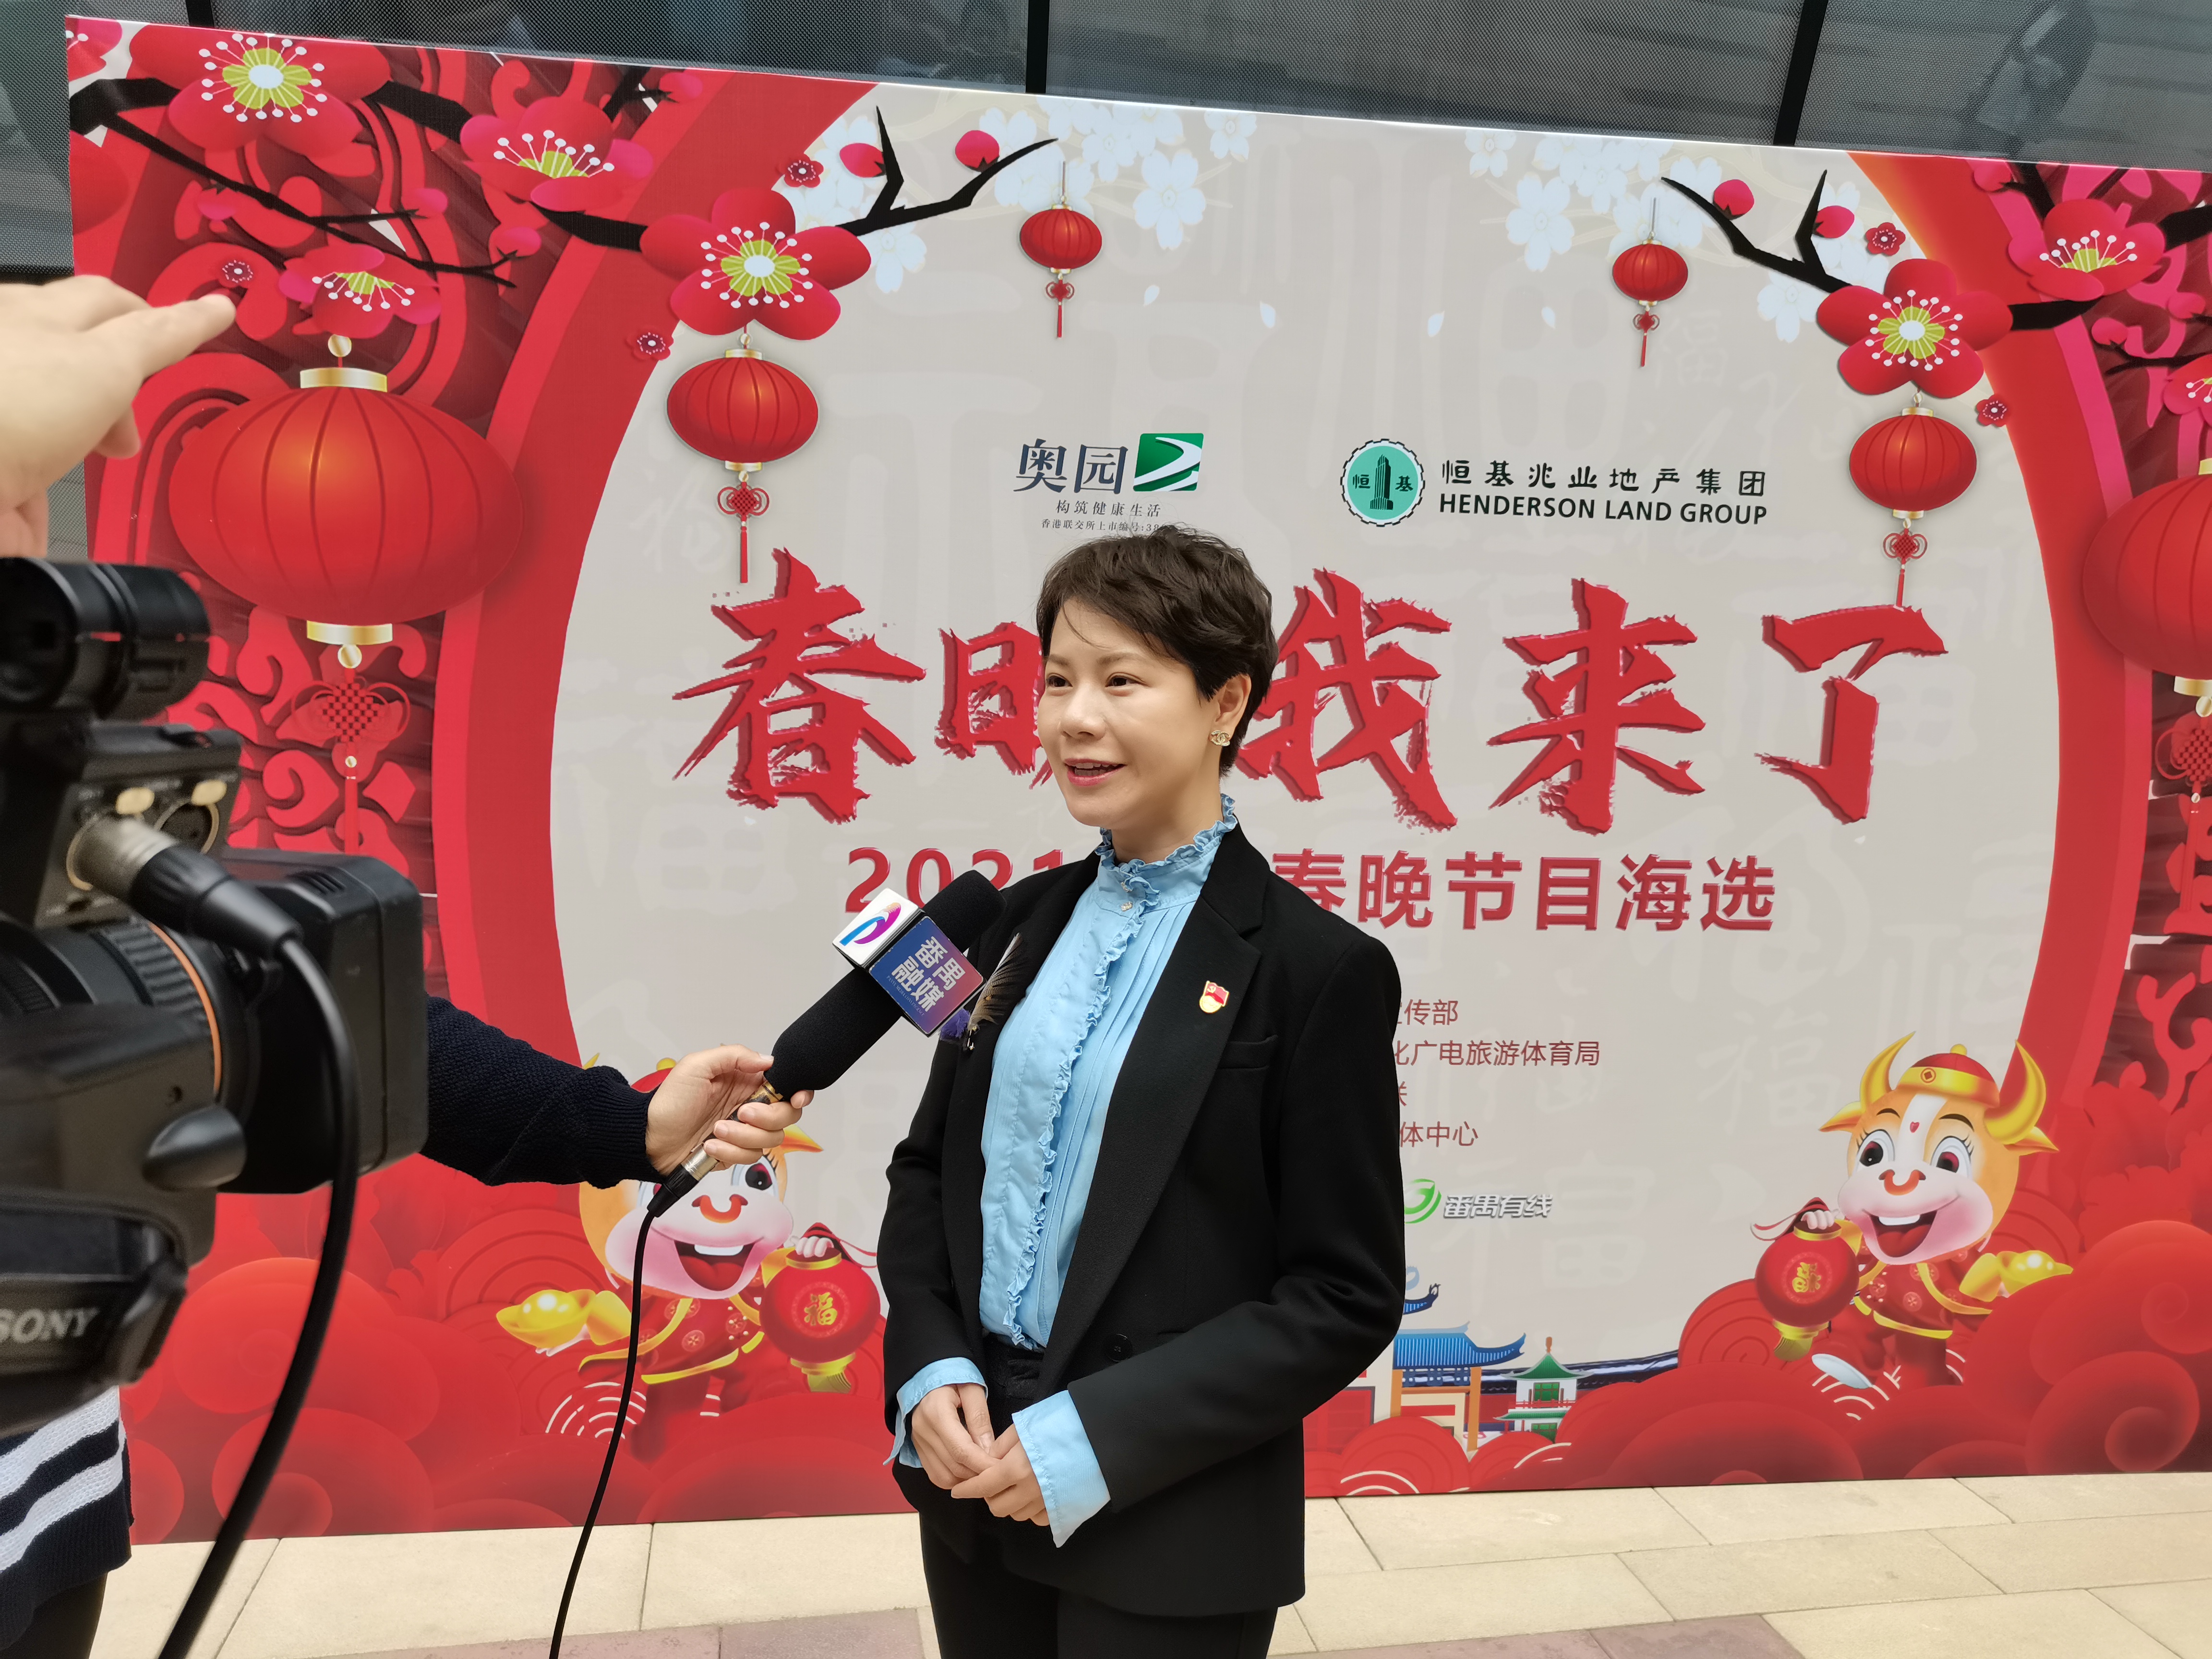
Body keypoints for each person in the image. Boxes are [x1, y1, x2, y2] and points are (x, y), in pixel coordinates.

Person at [0, 276, 807, 1657]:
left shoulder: (58, 828)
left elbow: (307, 1007)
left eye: (30, 504)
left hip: (48, 1489)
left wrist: (616, 1125)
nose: (29, 537)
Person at [878, 527, 1404, 1658]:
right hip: (974, 1491)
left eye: (1122, 681)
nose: (1075, 718)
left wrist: (1094, 1440)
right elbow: (928, 1171)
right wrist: (927, 1362)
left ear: (1226, 703)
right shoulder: (1009, 927)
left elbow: (1343, 1293)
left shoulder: (1317, 969)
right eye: (1058, 681)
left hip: (1171, 1515)